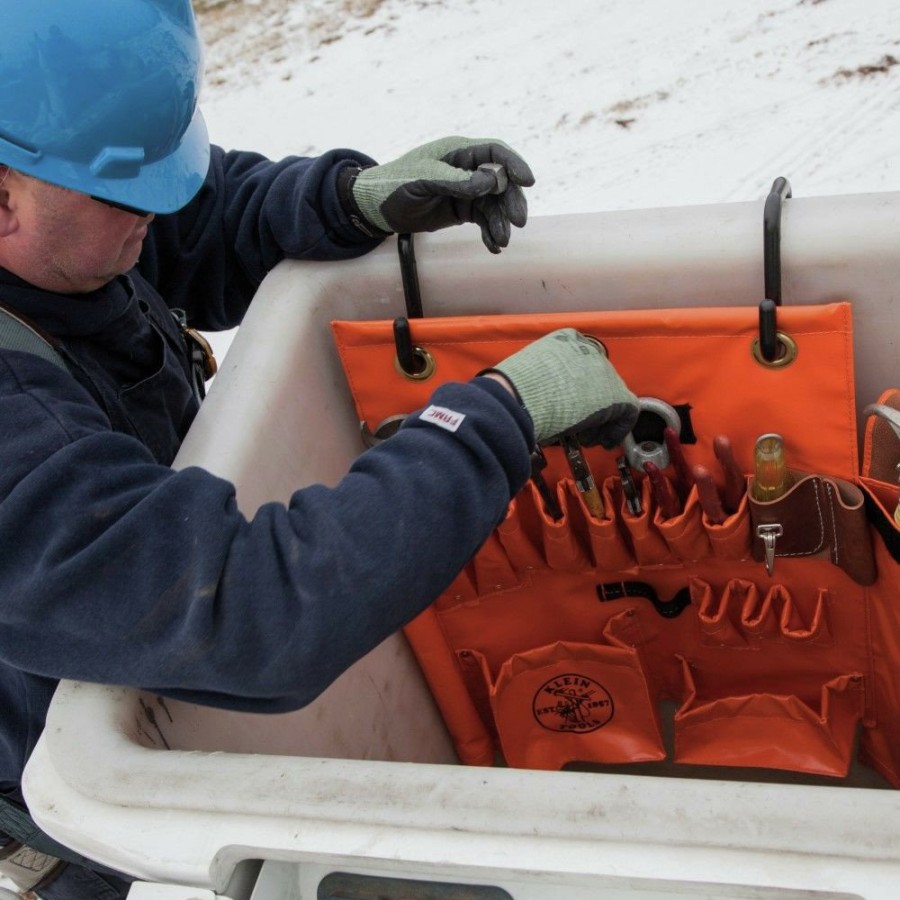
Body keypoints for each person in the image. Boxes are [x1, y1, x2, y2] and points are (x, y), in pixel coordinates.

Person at [0, 2, 639, 897]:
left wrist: (347, 200)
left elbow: (198, 215)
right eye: (130, 193)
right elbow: (252, 607)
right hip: (67, 820)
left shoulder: (65, 210)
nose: (161, 205)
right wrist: (498, 415)